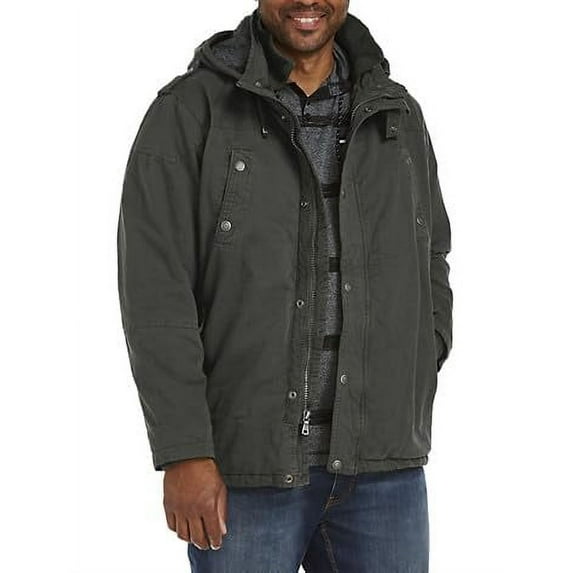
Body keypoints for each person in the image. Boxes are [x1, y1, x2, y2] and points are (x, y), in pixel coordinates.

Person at [117, 1, 453, 570]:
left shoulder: (397, 114)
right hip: (245, 473)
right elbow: (155, 293)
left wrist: (422, 357)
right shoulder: (189, 112)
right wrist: (184, 451)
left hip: (383, 472)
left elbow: (432, 256)